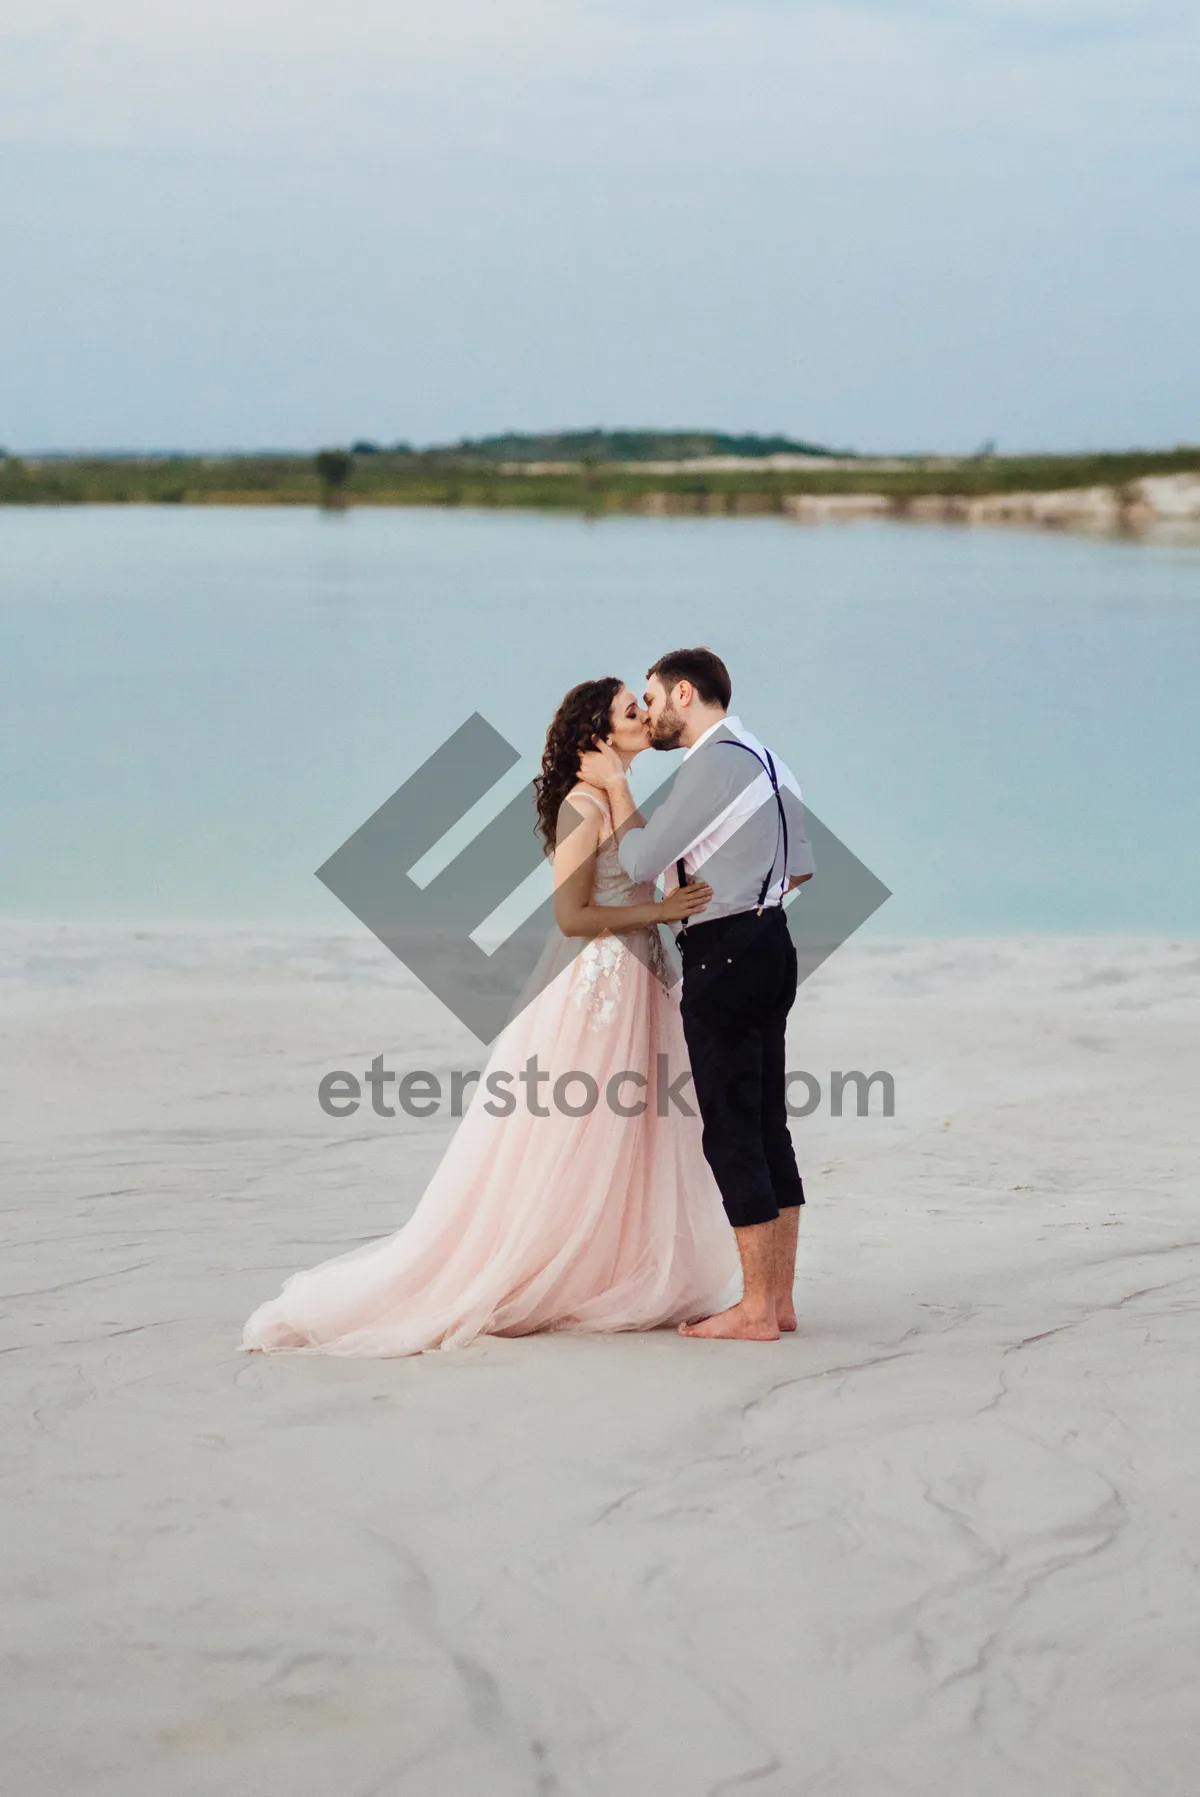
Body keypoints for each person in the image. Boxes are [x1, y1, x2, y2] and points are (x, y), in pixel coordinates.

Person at [241, 677, 739, 1358]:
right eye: (631, 711)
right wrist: (659, 911)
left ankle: (614, 1269)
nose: (645, 717)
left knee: (637, 1130)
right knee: (582, 1129)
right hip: (598, 986)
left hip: (642, 979)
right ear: (598, 734)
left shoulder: (616, 798)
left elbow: (646, 862)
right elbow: (572, 915)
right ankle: (546, 1267)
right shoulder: (581, 806)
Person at [579, 646, 815, 1342]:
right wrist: (742, 886)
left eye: (651, 699)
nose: (648, 714)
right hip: (774, 941)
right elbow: (799, 870)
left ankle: (754, 1310)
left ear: (685, 694)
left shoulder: (711, 762)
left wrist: (618, 790)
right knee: (769, 1123)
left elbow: (642, 864)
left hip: (727, 951)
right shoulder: (768, 757)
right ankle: (779, 1300)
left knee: (731, 1132)